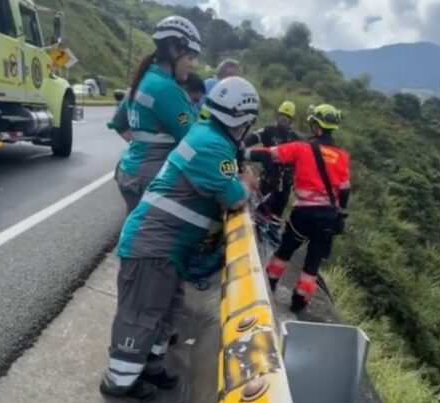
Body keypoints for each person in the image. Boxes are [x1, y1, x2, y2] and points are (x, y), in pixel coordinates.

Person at [100, 76, 260, 400]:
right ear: (241, 121)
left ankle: (151, 368)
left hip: (167, 248)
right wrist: (246, 182)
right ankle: (118, 382)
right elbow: (233, 196)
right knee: (141, 315)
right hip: (153, 246)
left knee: (167, 311)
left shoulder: (207, 136)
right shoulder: (212, 146)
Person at [244, 104, 351, 313]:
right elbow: (345, 189)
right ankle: (300, 301)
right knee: (314, 260)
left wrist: (243, 154)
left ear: (316, 126)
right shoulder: (342, 156)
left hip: (304, 213)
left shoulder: (302, 148)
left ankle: (270, 284)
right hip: (328, 216)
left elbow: (270, 154)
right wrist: (341, 214)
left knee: (285, 251)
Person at [107, 15, 202, 213]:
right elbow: (192, 140)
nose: (191, 65)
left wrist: (143, 146)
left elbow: (119, 122)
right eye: (190, 57)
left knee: (135, 231)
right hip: (151, 181)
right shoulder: (167, 90)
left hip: (128, 174)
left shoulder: (143, 80)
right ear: (175, 48)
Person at [243, 101, 300, 244]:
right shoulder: (269, 131)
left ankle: (270, 233)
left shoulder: (296, 139)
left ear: (291, 120)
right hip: (269, 176)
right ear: (278, 115)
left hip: (286, 180)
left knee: (278, 208)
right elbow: (252, 138)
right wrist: (240, 147)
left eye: (287, 117)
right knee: (264, 205)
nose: (283, 120)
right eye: (282, 116)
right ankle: (255, 232)